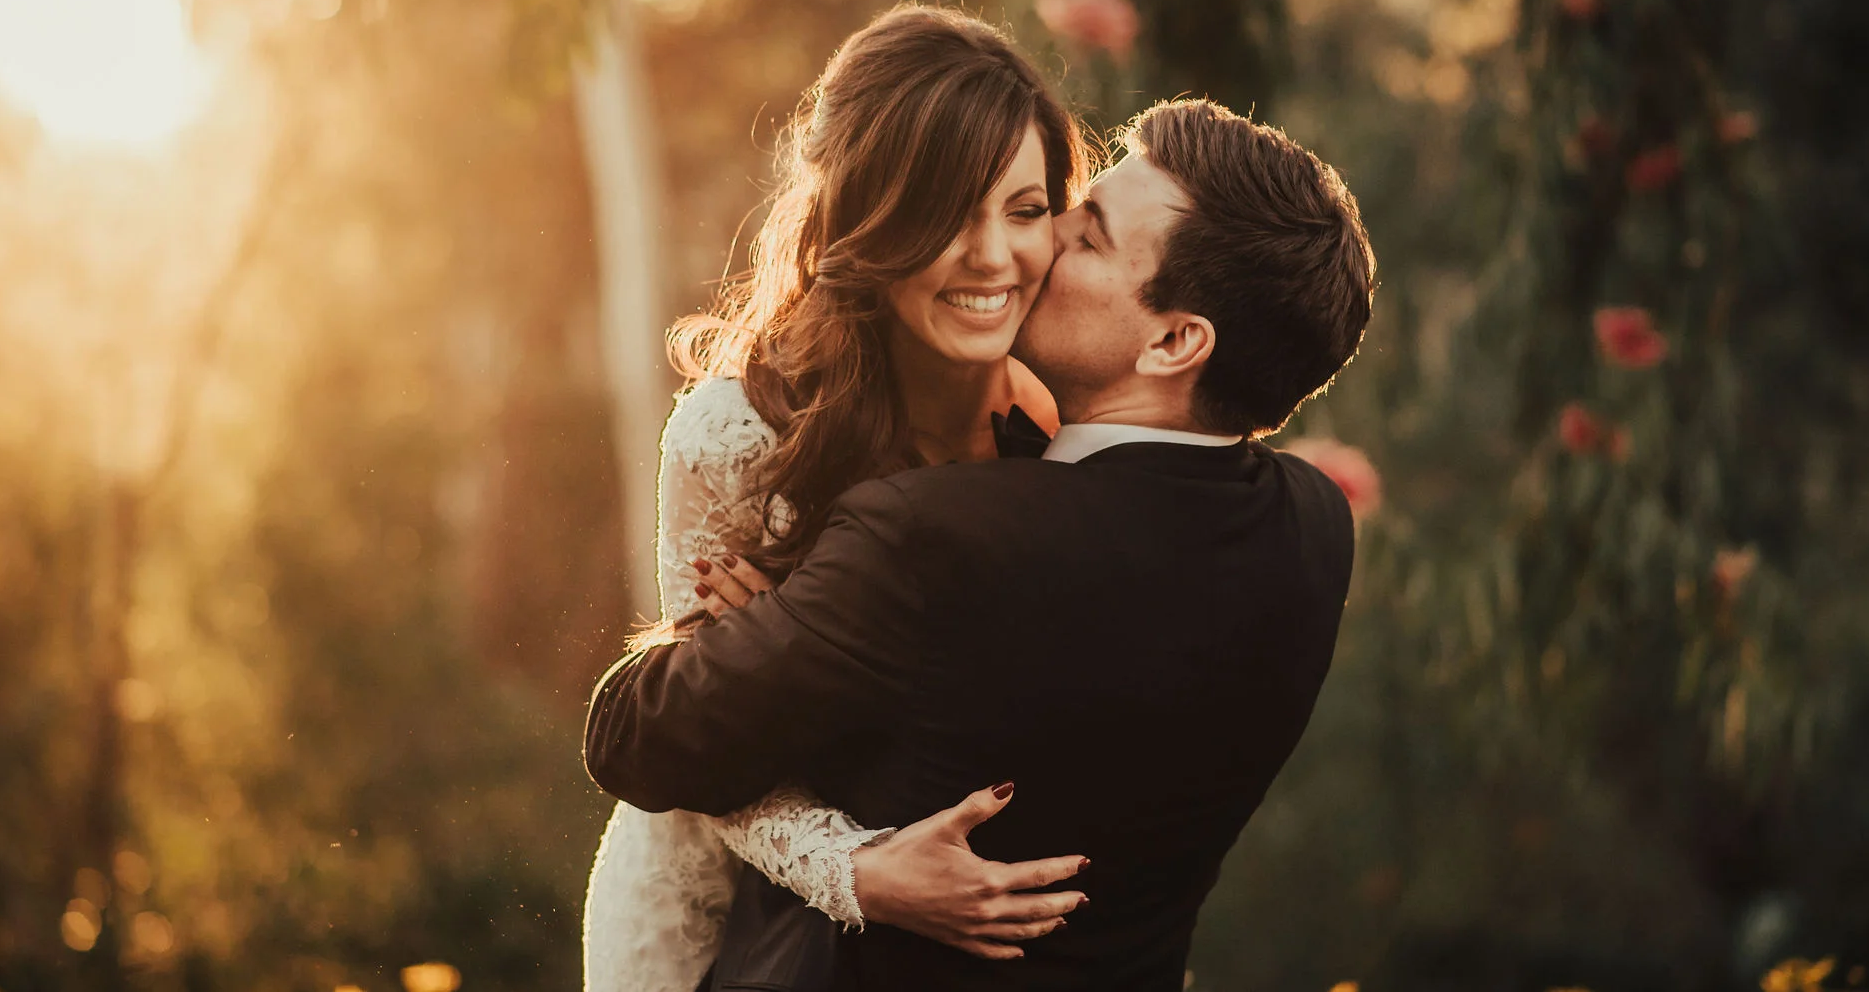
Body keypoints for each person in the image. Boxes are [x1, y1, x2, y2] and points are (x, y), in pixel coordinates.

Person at [585, 98, 1377, 991]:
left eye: (1090, 234)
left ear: (1174, 340)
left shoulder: (932, 537)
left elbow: (633, 736)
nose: (1045, 241)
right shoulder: (1314, 526)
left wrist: (779, 627)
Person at [581, 5, 1097, 992]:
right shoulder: (735, 433)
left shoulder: (1065, 428)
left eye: (1025, 209)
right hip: (717, 925)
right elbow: (691, 742)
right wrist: (859, 870)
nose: (993, 255)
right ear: (865, 218)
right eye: (947, 210)